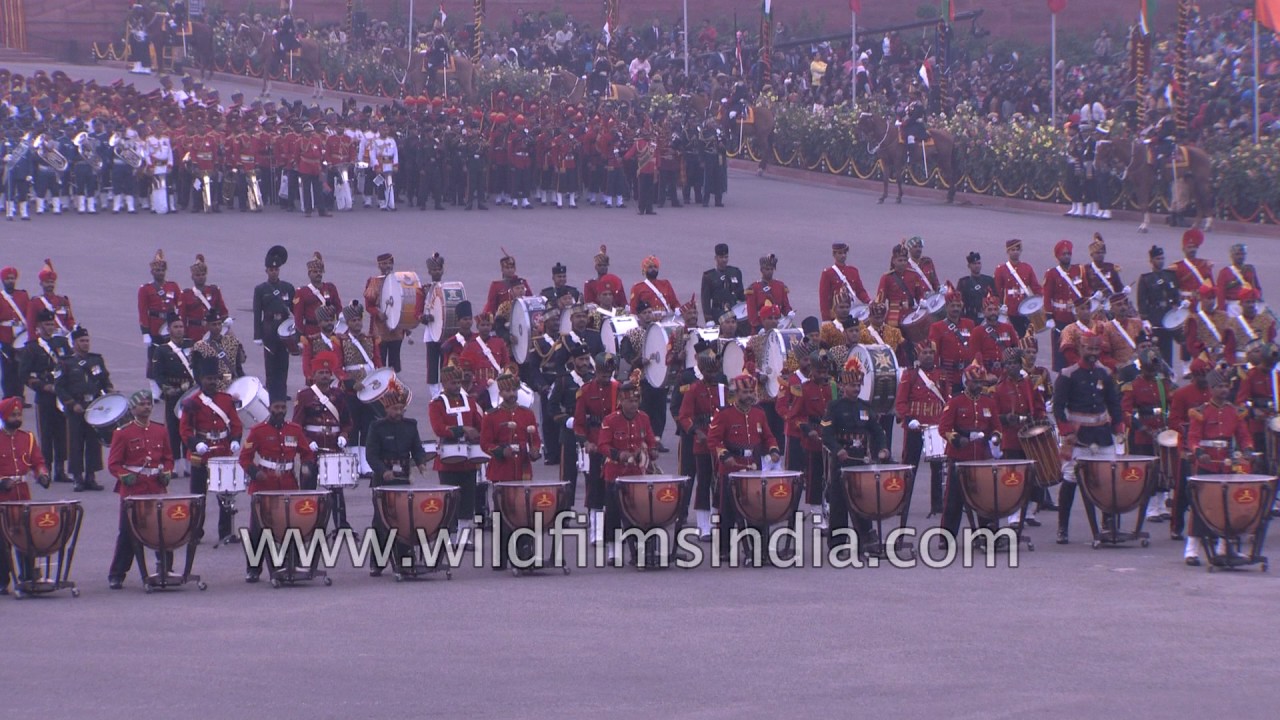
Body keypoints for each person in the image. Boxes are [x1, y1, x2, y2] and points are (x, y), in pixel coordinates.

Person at [1053, 332, 1124, 545]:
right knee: (1071, 480)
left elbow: (1114, 403)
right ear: (1080, 349)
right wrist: (1065, 431)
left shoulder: (1105, 373)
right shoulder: (1067, 375)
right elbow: (1058, 407)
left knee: (1106, 481)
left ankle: (1108, 524)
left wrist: (1118, 427)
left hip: (1102, 436)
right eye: (1089, 349)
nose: (1093, 354)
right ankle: (1062, 528)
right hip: (1077, 437)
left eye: (1096, 350)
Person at [239, 397, 316, 582]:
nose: (280, 410)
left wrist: (306, 466)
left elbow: (307, 453)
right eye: (276, 407)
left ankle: (294, 564)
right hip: (264, 485)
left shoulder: (295, 430)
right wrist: (255, 473)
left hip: (288, 483)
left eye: (283, 407)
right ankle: (253, 569)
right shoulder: (258, 431)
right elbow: (245, 458)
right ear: (269, 408)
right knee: (258, 530)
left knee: (292, 525)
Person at [708, 373, 782, 561]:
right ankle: (724, 549)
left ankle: (759, 548)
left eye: (752, 391)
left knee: (757, 509)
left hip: (754, 468)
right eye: (745, 391)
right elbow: (713, 440)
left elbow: (768, 437)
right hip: (731, 469)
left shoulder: (759, 413)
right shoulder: (724, 414)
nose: (750, 395)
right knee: (727, 512)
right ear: (736, 392)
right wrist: (724, 456)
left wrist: (774, 450)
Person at [106, 389, 174, 589]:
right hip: (134, 490)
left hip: (155, 488)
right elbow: (114, 464)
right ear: (133, 408)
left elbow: (168, 458)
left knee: (162, 531)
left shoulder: (160, 430)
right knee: (127, 533)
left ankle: (165, 569)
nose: (146, 407)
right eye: (141, 404)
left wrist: (167, 472)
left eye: (148, 403)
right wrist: (124, 476)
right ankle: (117, 573)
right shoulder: (123, 433)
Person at [821, 354, 890, 551]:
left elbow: (877, 431)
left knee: (863, 500)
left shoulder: (865, 407)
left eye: (858, 385)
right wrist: (838, 450)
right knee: (839, 504)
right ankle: (837, 544)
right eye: (852, 386)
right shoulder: (834, 407)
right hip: (842, 461)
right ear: (843, 386)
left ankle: (866, 539)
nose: (856, 389)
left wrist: (883, 447)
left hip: (861, 461)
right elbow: (826, 433)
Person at [1184, 370, 1253, 565]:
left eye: (1226, 386)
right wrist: (1199, 453)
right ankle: (1192, 551)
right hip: (1207, 466)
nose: (1224, 390)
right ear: (1211, 389)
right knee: (1200, 507)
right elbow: (1193, 437)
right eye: (1220, 387)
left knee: (1226, 508)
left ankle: (1224, 548)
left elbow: (1243, 436)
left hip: (1226, 466)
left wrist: (1247, 449)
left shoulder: (1234, 411)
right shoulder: (1201, 411)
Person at [597, 373, 660, 564]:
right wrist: (619, 455)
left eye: (636, 400)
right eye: (630, 401)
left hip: (637, 475)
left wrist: (653, 451)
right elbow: (603, 445)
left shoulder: (644, 418)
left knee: (638, 514)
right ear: (621, 401)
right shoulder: (610, 420)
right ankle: (613, 551)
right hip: (615, 474)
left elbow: (650, 440)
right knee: (614, 514)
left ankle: (639, 552)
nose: (634, 404)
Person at [179, 357, 244, 543]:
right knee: (199, 496)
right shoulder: (192, 402)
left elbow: (235, 424)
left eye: (215, 378)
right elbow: (184, 429)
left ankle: (225, 532)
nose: (212, 382)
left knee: (225, 495)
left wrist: (236, 440)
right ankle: (195, 532)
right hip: (202, 452)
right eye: (208, 378)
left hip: (222, 451)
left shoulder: (226, 399)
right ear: (201, 379)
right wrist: (195, 444)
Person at [938, 361, 1002, 538]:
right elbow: (944, 428)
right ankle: (947, 536)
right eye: (975, 382)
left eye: (981, 382)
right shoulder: (956, 401)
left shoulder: (988, 402)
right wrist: (957, 439)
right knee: (953, 500)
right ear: (967, 382)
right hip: (959, 457)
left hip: (981, 457)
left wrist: (996, 438)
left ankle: (987, 533)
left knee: (984, 498)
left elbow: (996, 426)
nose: (978, 386)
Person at [427, 364, 485, 540]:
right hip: (447, 458)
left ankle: (464, 536)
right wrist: (463, 430)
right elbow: (439, 429)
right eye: (453, 382)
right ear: (444, 383)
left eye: (459, 382)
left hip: (468, 458)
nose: (457, 386)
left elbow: (479, 424)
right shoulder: (436, 404)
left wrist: (480, 433)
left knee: (468, 498)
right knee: (449, 498)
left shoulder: (470, 401)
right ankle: (450, 536)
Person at [0, 396, 51, 594]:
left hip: (22, 496)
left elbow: (37, 461)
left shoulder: (27, 438)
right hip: (2, 498)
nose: (17, 417)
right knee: (2, 541)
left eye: (19, 414)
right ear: (4, 417)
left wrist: (42, 475)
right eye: (13, 415)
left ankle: (28, 576)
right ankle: (3, 580)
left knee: (25, 538)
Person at [677, 350, 728, 541]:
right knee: (704, 482)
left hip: (720, 443)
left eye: (716, 371)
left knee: (719, 482)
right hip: (702, 442)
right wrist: (697, 432)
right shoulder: (693, 390)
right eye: (710, 371)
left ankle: (717, 521)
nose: (713, 375)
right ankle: (703, 525)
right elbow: (684, 417)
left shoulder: (723, 389)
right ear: (703, 369)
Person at [895, 341, 950, 517]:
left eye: (930, 352)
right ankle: (902, 503)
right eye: (924, 352)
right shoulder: (910, 375)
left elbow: (947, 400)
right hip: (915, 427)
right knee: (909, 467)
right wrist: (908, 418)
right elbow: (901, 402)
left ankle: (937, 505)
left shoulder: (941, 374)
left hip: (934, 426)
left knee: (937, 466)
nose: (927, 355)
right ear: (918, 355)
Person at [1123, 347, 1176, 523]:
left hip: (1162, 431)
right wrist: (1143, 428)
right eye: (1149, 368)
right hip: (1143, 434)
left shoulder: (1163, 383)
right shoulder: (1133, 385)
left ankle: (1161, 506)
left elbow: (1173, 403)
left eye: (1154, 369)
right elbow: (1127, 412)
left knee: (1163, 469)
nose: (1152, 372)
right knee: (1149, 472)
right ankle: (1151, 508)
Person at [55, 327, 112, 491]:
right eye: (82, 341)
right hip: (76, 408)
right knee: (76, 442)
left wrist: (110, 392)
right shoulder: (65, 363)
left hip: (94, 406)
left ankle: (91, 476)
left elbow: (104, 380)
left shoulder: (96, 360)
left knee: (94, 442)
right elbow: (59, 387)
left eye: (87, 341)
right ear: (74, 343)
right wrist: (72, 404)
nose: (85, 344)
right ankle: (77, 477)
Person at [20, 309, 71, 484]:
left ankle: (60, 469)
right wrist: (42, 386)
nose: (49, 328)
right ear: (39, 326)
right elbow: (24, 375)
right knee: (46, 434)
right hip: (45, 396)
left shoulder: (62, 343)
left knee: (62, 433)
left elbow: (70, 365)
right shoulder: (32, 348)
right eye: (46, 325)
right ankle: (45, 468)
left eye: (51, 324)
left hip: (62, 393)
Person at [574, 352, 620, 546]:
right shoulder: (585, 391)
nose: (605, 376)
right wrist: (585, 442)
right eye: (602, 372)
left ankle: (616, 529)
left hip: (615, 446)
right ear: (596, 371)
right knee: (596, 489)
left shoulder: (619, 389)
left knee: (617, 489)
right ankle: (596, 531)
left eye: (608, 373)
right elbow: (578, 423)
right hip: (595, 446)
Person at [151, 315, 195, 477]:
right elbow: (157, 373)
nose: (179, 330)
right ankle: (175, 463)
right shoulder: (162, 350)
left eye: (181, 326)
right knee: (174, 428)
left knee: (190, 426)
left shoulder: (192, 345)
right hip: (174, 392)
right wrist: (166, 389)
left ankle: (189, 462)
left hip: (190, 391)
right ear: (169, 330)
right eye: (176, 327)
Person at [252, 245, 296, 402]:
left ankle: (282, 390)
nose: (273, 272)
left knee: (283, 361)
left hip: (283, 327)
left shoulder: (287, 287)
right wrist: (257, 335)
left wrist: (296, 332)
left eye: (276, 270)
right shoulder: (260, 289)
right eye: (271, 269)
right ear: (266, 271)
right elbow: (257, 313)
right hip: (269, 328)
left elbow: (295, 309)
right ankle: (270, 390)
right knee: (270, 362)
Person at [1042, 240, 1088, 371]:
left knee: (1078, 346)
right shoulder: (1052, 274)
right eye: (1064, 254)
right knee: (1060, 349)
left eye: (1069, 253)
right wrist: (1049, 317)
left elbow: (1085, 291)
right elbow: (1047, 296)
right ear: (1058, 256)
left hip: (1077, 317)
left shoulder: (1079, 270)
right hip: (1060, 317)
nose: (1067, 256)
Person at [1136, 245, 1181, 371]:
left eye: (1162, 258)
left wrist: (1180, 306)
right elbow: (1142, 301)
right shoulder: (1146, 279)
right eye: (1157, 259)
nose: (1161, 261)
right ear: (1151, 261)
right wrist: (1144, 319)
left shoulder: (1170, 276)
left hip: (1168, 319)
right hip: (1154, 318)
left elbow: (1176, 296)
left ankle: (1169, 375)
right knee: (1155, 350)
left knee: (1168, 351)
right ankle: (1155, 373)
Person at [137, 250, 181, 378]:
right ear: (152, 272)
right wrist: (145, 332)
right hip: (155, 327)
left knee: (172, 353)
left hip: (170, 326)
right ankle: (154, 386)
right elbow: (143, 310)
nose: (160, 273)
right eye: (157, 271)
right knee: (154, 357)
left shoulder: (173, 286)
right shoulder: (146, 289)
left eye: (162, 271)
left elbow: (180, 304)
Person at [927, 289, 977, 393]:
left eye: (958, 306)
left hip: (968, 374)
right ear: (946, 307)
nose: (956, 309)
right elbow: (934, 354)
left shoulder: (970, 324)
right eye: (952, 306)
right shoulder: (937, 327)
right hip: (949, 375)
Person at [993, 239, 1043, 337]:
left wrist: (1041, 302)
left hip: (1026, 308)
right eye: (1012, 250)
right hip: (1010, 310)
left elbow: (1035, 287)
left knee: (1027, 337)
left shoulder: (1027, 268)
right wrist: (999, 307)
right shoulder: (1001, 269)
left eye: (1017, 249)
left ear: (1020, 251)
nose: (1015, 252)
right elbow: (998, 291)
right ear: (1008, 252)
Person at [191, 306, 246, 393]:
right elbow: (197, 372)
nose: (217, 327)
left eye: (219, 324)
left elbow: (238, 367)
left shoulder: (232, 342)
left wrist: (243, 382)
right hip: (212, 388)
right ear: (207, 326)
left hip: (233, 385)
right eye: (214, 324)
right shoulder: (200, 347)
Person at [818, 242, 871, 321]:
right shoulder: (828, 273)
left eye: (845, 253)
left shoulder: (853, 271)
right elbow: (824, 299)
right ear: (834, 254)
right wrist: (826, 319)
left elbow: (860, 291)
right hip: (835, 314)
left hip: (851, 311)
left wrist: (869, 301)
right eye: (840, 253)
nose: (843, 255)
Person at [293, 251, 341, 338]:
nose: (318, 274)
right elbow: (298, 316)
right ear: (309, 274)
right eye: (315, 272)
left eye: (320, 271)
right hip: (311, 330)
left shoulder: (330, 287)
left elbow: (338, 308)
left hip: (330, 330)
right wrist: (303, 334)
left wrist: (339, 327)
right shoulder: (301, 292)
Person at [876, 245, 926, 329]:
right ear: (893, 261)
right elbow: (880, 301)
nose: (903, 263)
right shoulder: (886, 277)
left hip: (910, 314)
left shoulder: (913, 275)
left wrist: (921, 300)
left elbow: (919, 294)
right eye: (900, 260)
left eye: (905, 260)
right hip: (893, 315)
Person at [0, 266, 30, 400]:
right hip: (5, 337)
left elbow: (28, 314)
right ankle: (8, 397)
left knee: (20, 368)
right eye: (8, 279)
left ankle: (19, 396)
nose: (10, 281)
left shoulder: (22, 296)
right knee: (8, 369)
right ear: (3, 280)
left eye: (12, 278)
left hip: (20, 337)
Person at [701, 243, 745, 332]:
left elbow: (741, 294)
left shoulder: (735, 272)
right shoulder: (709, 276)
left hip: (734, 311)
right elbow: (705, 299)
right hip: (718, 312)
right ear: (716, 258)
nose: (724, 260)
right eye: (721, 257)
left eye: (726, 257)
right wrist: (708, 319)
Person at [956, 251, 995, 325]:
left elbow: (995, 297)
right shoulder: (963, 282)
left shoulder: (989, 280)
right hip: (970, 316)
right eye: (974, 264)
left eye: (978, 263)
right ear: (969, 266)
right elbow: (959, 301)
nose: (977, 266)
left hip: (986, 317)